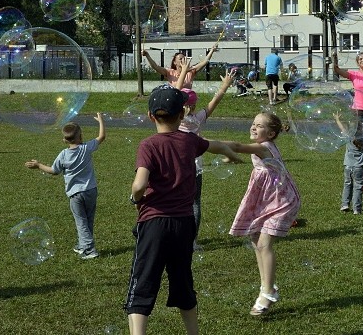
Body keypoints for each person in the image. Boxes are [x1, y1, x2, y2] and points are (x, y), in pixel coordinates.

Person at [124, 85, 243, 335]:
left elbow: (140, 184)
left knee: (143, 281)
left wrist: (135, 197)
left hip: (154, 223)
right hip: (183, 224)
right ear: (182, 115)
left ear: (150, 117)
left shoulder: (148, 145)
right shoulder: (189, 140)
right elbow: (217, 145)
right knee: (182, 281)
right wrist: (232, 155)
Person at [222, 111, 301, 316]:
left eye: (259, 125)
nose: (253, 127)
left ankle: (268, 292)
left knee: (264, 244)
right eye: (253, 123)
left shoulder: (263, 147)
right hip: (268, 200)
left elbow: (238, 146)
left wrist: (202, 143)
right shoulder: (263, 146)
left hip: (282, 201)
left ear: (272, 133)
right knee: (257, 242)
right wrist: (231, 158)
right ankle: (266, 287)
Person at [24, 113, 107, 259]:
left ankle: (90, 250)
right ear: (80, 137)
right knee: (88, 220)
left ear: (64, 140)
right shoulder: (86, 148)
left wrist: (38, 165)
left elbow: (54, 171)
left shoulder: (63, 155)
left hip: (75, 195)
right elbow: (101, 137)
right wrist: (101, 122)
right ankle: (83, 245)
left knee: (81, 221)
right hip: (91, 191)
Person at [175, 67, 238, 250]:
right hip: (196, 166)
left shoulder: (175, 120)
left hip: (176, 165)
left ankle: (176, 235)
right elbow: (214, 102)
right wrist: (225, 85)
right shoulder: (198, 118)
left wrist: (183, 72)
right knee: (195, 202)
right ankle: (192, 241)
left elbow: (173, 93)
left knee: (175, 200)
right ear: (193, 106)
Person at [141, 46, 217, 89]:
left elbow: (204, 62)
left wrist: (212, 51)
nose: (183, 60)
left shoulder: (191, 71)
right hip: (175, 102)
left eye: (184, 58)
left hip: (187, 102)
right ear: (175, 62)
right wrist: (147, 55)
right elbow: (155, 67)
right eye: (180, 59)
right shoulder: (170, 72)